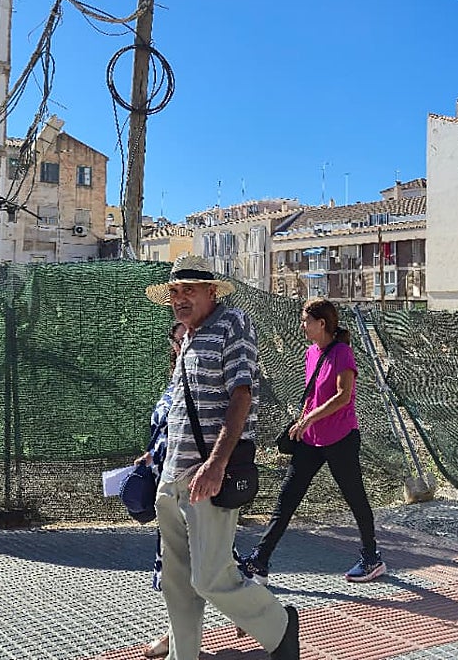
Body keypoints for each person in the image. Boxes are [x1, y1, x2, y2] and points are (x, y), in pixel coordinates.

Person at [144, 254, 299, 660]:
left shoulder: (233, 324)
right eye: (175, 291)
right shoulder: (188, 335)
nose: (180, 299)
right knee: (177, 583)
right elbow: (182, 404)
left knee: (210, 578)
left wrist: (217, 464)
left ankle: (280, 626)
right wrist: (154, 454)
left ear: (212, 291)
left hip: (206, 476)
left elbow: (242, 395)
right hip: (172, 475)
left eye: (189, 290)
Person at [241, 297, 385, 585]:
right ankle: (260, 561)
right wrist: (301, 421)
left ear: (322, 323)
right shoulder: (310, 353)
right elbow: (312, 395)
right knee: (287, 498)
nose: (302, 325)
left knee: (355, 498)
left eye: (306, 320)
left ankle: (372, 558)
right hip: (311, 439)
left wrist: (309, 419)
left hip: (341, 438)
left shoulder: (342, 353)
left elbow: (343, 396)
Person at [139, 321, 184, 660]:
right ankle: (258, 616)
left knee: (192, 566)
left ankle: (266, 618)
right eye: (177, 337)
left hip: (193, 484)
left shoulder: (205, 377)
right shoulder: (174, 379)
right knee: (177, 566)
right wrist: (151, 455)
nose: (181, 342)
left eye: (188, 336)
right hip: (166, 483)